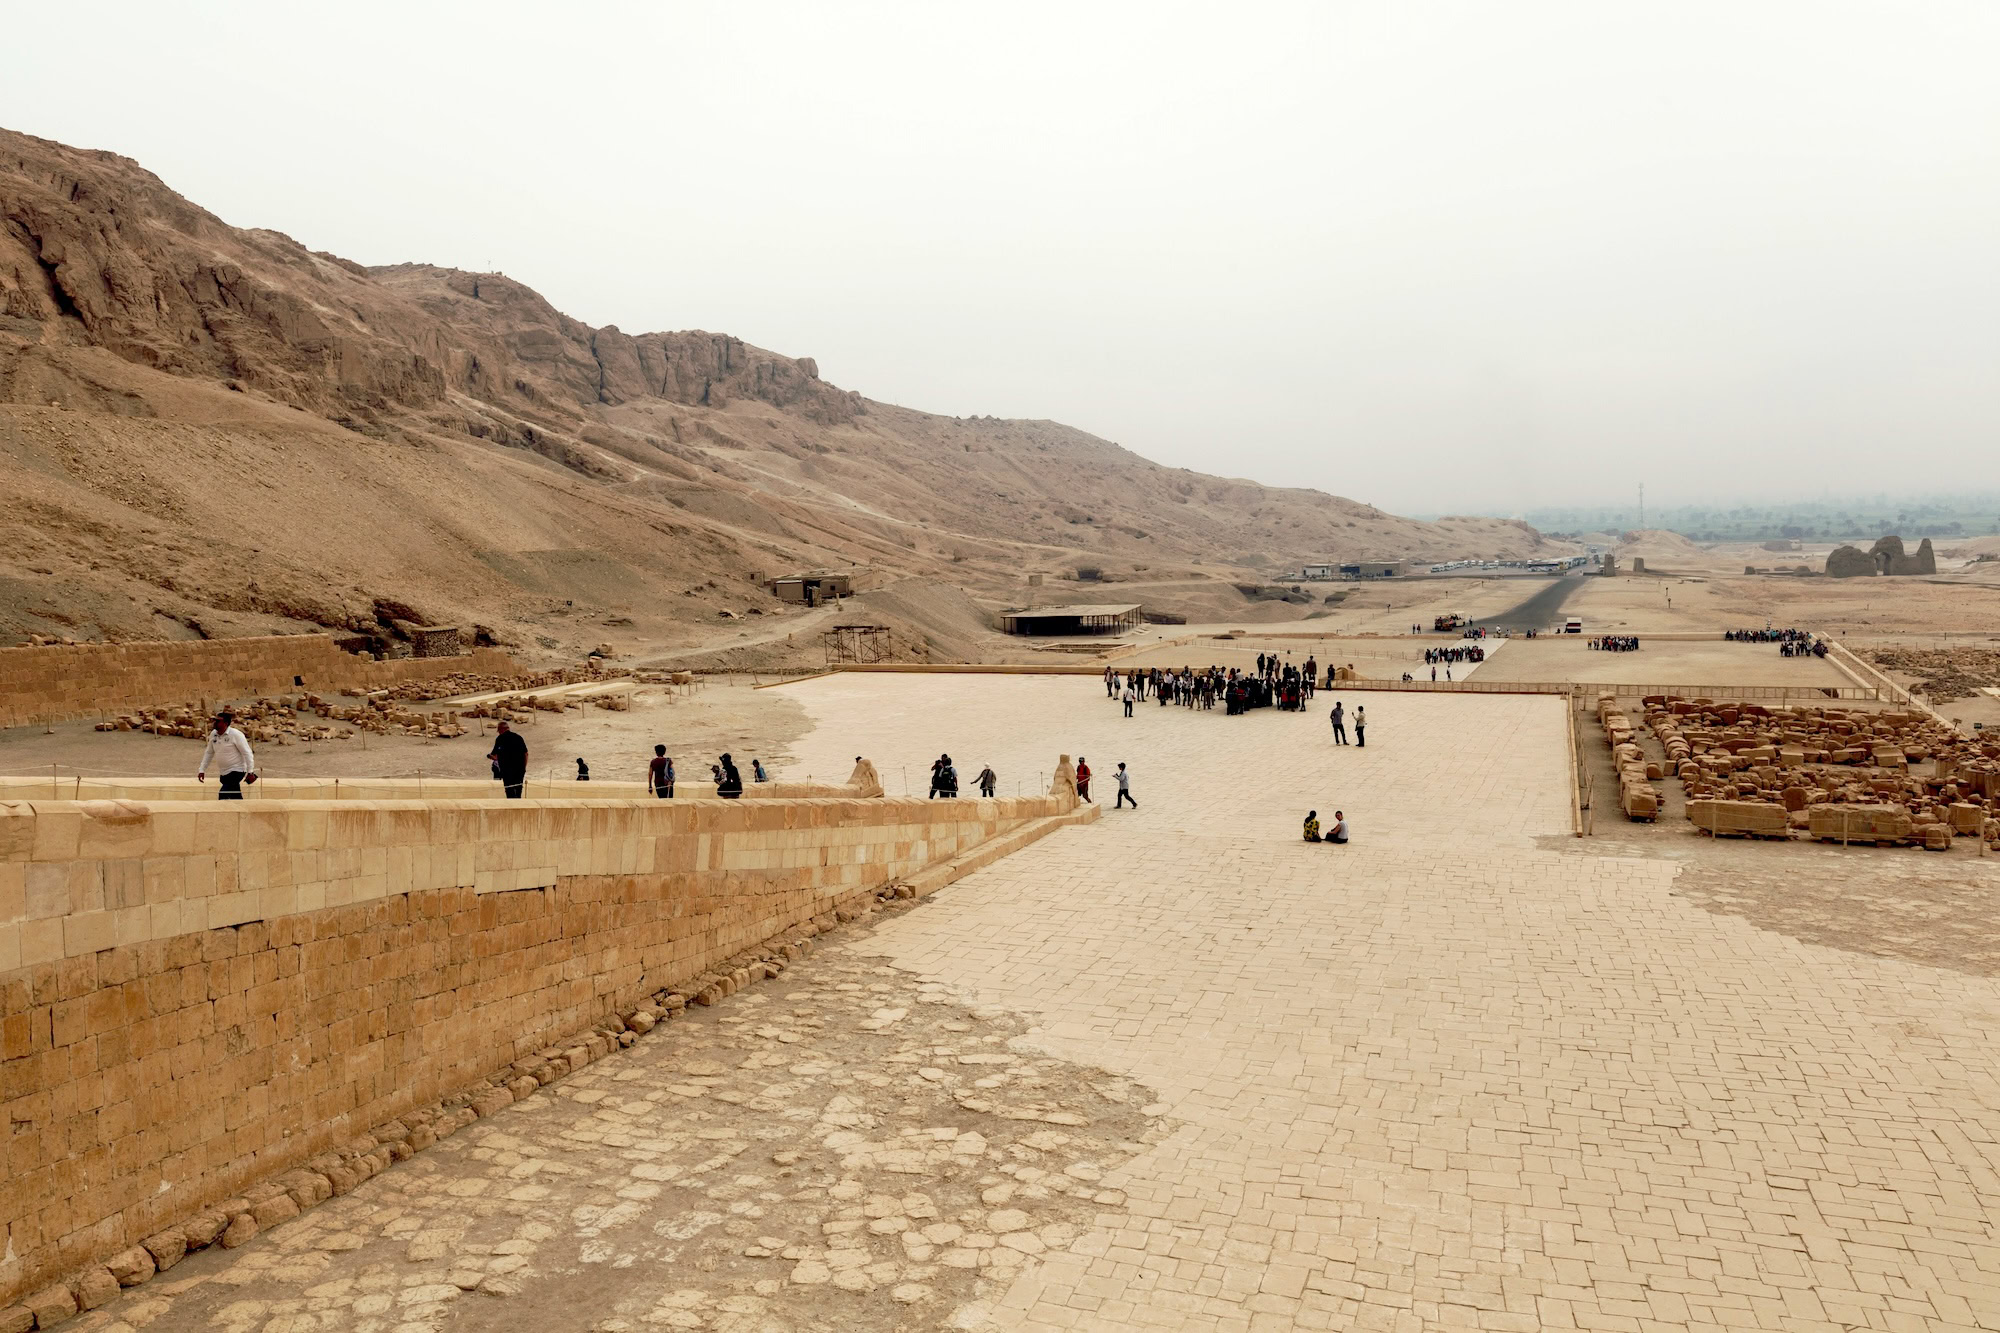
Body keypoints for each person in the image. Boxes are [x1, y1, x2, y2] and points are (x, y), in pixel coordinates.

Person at [196, 712, 258, 800]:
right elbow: (209, 753)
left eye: (218, 721)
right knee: (235, 796)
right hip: (223, 772)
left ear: (225, 723)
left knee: (223, 794)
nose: (215, 723)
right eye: (215, 721)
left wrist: (250, 771)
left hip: (237, 770)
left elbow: (247, 753)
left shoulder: (236, 735)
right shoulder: (214, 734)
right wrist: (202, 769)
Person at [487, 720, 527, 799]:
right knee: (518, 790)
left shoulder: (500, 739)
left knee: (509, 791)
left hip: (507, 770)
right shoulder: (518, 737)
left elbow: (495, 756)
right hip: (519, 769)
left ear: (501, 730)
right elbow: (526, 754)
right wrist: (524, 767)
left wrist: (489, 756)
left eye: (499, 731)